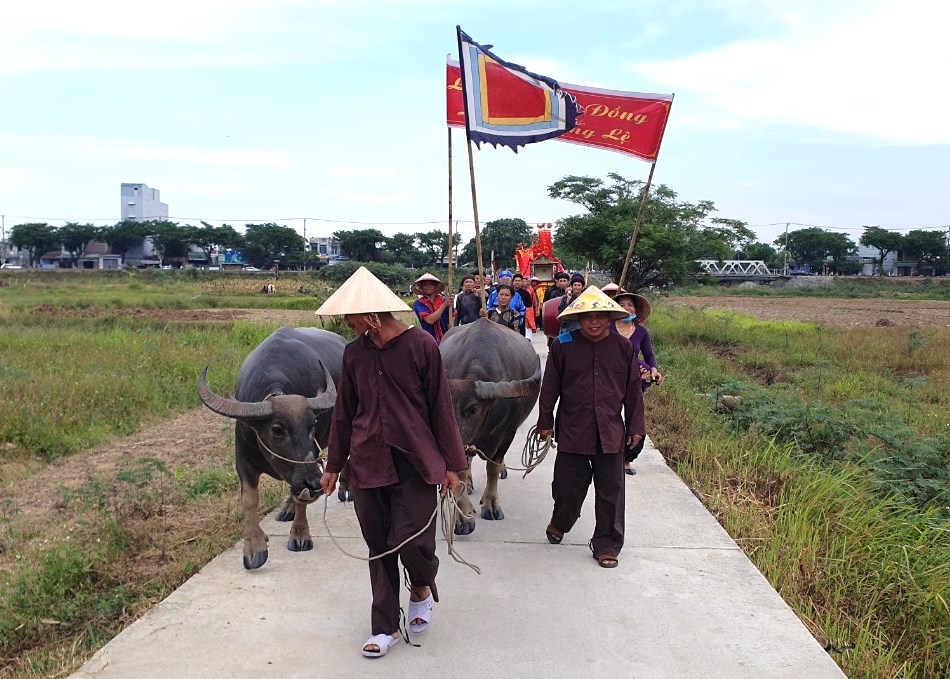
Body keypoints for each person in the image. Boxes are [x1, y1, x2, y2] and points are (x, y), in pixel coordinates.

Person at [316, 266, 467, 658]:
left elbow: (441, 409)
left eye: (350, 317)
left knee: (414, 542)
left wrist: (453, 464)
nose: (347, 324)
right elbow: (345, 413)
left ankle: (420, 588)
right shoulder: (353, 354)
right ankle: (384, 627)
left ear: (370, 315)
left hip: (416, 462)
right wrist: (334, 466)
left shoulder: (421, 347)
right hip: (368, 462)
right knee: (380, 545)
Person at [536, 285, 645, 569]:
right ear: (578, 318)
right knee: (566, 485)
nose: (594, 322)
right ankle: (562, 520)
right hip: (573, 428)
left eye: (599, 317)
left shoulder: (622, 347)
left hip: (610, 432)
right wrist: (545, 421)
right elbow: (550, 388)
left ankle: (606, 543)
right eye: (587, 317)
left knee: (611, 491)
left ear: (609, 318)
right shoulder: (563, 345)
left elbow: (633, 390)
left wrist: (636, 426)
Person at [613, 291, 663, 475]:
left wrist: (654, 369)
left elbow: (649, 355)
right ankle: (609, 454)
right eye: (622, 305)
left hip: (634, 378)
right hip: (609, 377)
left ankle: (627, 458)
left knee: (634, 416)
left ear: (635, 309)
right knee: (610, 416)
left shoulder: (641, 332)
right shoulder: (607, 327)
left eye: (630, 305)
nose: (626, 308)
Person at [411, 272, 454, 344]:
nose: (428, 286)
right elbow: (430, 320)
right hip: (429, 340)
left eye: (431, 284)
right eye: (425, 285)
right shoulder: (419, 303)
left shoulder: (443, 299)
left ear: (435, 286)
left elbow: (451, 317)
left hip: (446, 339)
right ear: (421, 288)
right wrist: (443, 305)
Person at [512, 273, 537, 339]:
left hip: (521, 317)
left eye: (519, 281)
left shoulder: (525, 293)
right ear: (513, 282)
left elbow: (529, 305)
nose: (517, 282)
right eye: (516, 281)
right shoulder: (509, 292)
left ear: (522, 282)